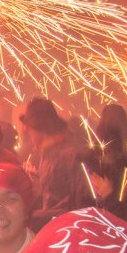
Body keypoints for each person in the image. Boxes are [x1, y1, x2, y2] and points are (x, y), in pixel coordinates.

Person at [18, 96, 81, 226]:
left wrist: (34, 217)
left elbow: (75, 199)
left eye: (29, 128)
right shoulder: (46, 152)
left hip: (65, 225)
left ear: (38, 127)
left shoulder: (68, 154)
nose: (27, 132)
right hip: (52, 222)